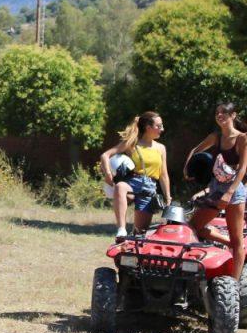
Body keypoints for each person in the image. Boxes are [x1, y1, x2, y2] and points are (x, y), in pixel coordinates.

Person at [183, 102, 247, 281]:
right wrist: (187, 168)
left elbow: (242, 169)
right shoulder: (216, 137)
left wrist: (229, 193)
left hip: (234, 191)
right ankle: (222, 246)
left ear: (233, 115)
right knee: (193, 227)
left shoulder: (242, 138)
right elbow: (195, 150)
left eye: (224, 113)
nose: (220, 116)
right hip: (216, 187)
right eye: (217, 113)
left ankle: (233, 282)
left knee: (237, 240)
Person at [100, 111, 171, 240]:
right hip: (132, 182)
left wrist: (168, 197)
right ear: (148, 128)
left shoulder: (161, 148)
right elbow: (105, 155)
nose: (162, 129)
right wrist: (108, 174)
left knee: (139, 234)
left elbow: (163, 174)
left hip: (149, 188)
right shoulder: (132, 143)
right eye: (159, 126)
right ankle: (121, 229)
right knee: (120, 186)